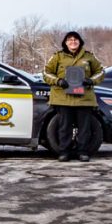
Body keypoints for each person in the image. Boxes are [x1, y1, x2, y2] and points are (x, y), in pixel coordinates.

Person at [42, 31, 104, 162]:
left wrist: (91, 80)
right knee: (64, 127)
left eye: (76, 39)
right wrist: (58, 81)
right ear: (65, 42)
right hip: (63, 98)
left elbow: (101, 71)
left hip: (84, 99)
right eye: (70, 39)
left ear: (80, 42)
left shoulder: (89, 57)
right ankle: (64, 152)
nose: (73, 42)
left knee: (84, 128)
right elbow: (46, 72)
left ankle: (83, 152)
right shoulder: (57, 56)